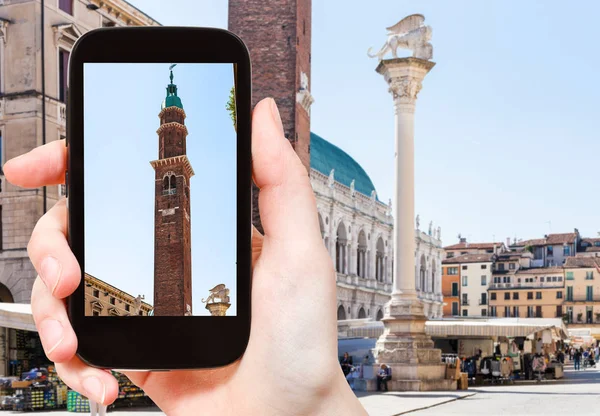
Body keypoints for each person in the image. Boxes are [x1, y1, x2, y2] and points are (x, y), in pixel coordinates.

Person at [3, 98, 368, 415]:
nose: (170, 134)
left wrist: (314, 406)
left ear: (175, 137)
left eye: (173, 130)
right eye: (169, 130)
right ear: (166, 137)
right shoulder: (166, 173)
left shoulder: (179, 175)